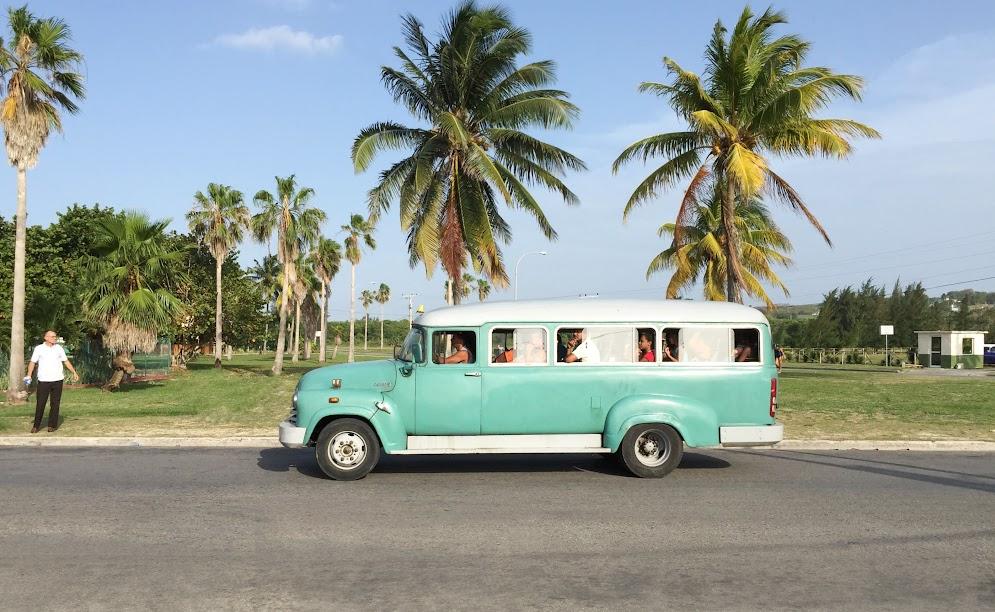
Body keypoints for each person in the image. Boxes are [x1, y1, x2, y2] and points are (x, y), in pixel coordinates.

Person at [25, 331, 79, 433]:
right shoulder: (39, 349)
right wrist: (29, 374)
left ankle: (52, 425)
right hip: (44, 380)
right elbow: (32, 362)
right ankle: (36, 426)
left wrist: (74, 372)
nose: (55, 338)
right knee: (40, 403)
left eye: (55, 336)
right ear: (46, 337)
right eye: (53, 336)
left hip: (57, 380)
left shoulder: (58, 348)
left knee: (55, 404)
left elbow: (66, 361)